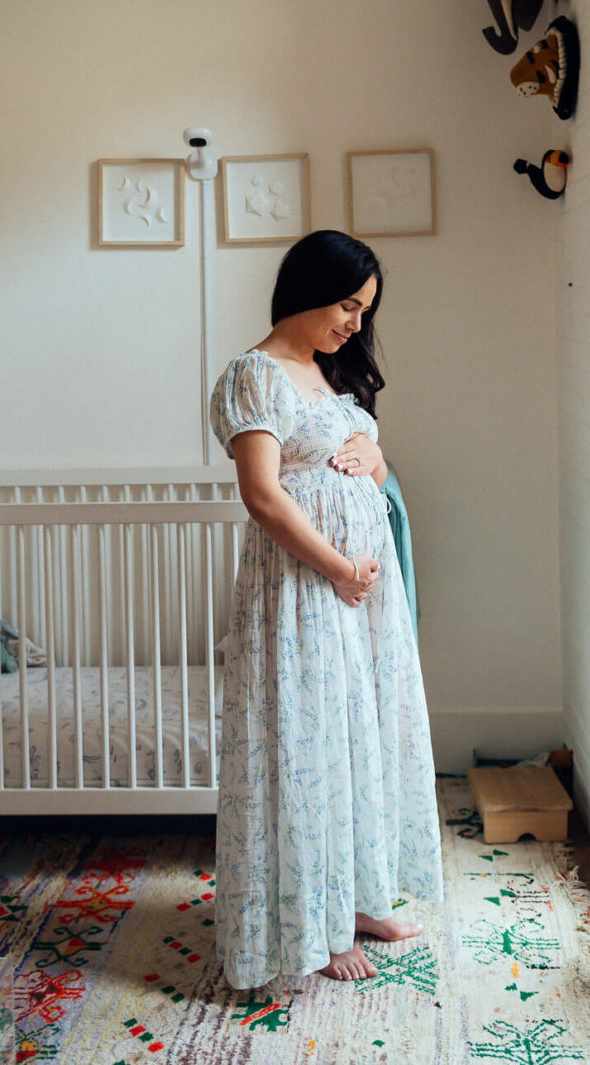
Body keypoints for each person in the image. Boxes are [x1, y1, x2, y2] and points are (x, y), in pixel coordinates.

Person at [209, 230, 444, 988]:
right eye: (347, 304)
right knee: (309, 748)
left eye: (363, 310)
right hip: (302, 591)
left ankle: (362, 896)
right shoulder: (256, 374)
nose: (354, 323)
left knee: (359, 738)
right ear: (307, 288)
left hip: (357, 600)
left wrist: (375, 459)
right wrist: (341, 568)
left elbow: (367, 463)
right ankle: (318, 922)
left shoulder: (327, 373)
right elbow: (263, 494)